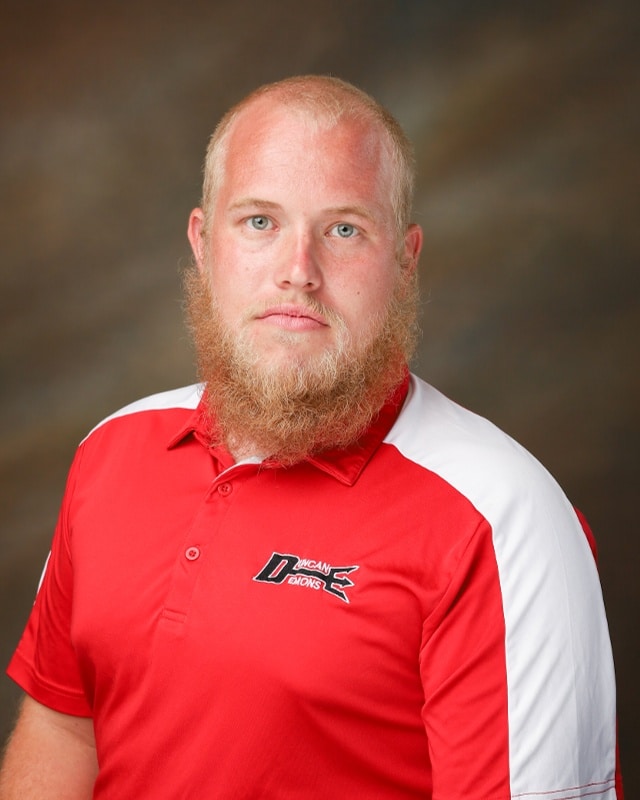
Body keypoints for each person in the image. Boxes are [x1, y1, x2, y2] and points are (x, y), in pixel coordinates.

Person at [0, 75, 622, 799]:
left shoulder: (503, 517)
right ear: (203, 243)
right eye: (259, 222)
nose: (299, 273)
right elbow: (66, 728)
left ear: (405, 260)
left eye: (344, 229)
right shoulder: (113, 449)